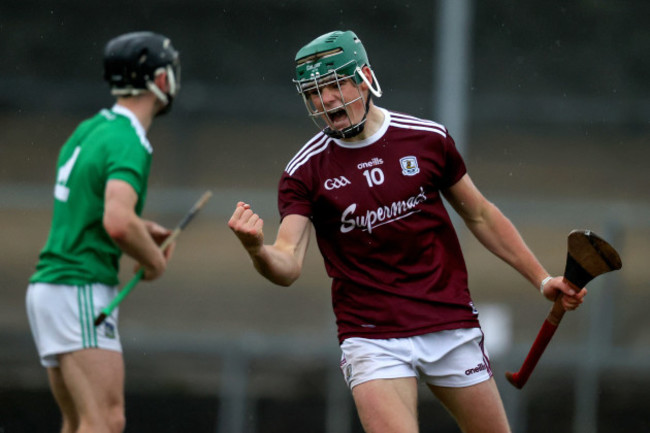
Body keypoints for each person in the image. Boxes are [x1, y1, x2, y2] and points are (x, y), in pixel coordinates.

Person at [228, 30, 586, 433]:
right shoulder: (305, 171)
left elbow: (481, 215)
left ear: (364, 77)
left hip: (447, 320)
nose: (325, 101)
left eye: (334, 84)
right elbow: (288, 262)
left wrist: (541, 279)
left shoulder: (426, 139)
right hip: (372, 334)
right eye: (313, 92)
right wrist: (257, 249)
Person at [26, 31, 181, 433]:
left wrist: (141, 229)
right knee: (106, 421)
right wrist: (151, 260)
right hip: (78, 286)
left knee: (80, 421)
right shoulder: (128, 139)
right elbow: (116, 221)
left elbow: (91, 208)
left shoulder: (91, 128)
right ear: (160, 81)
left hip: (52, 290)